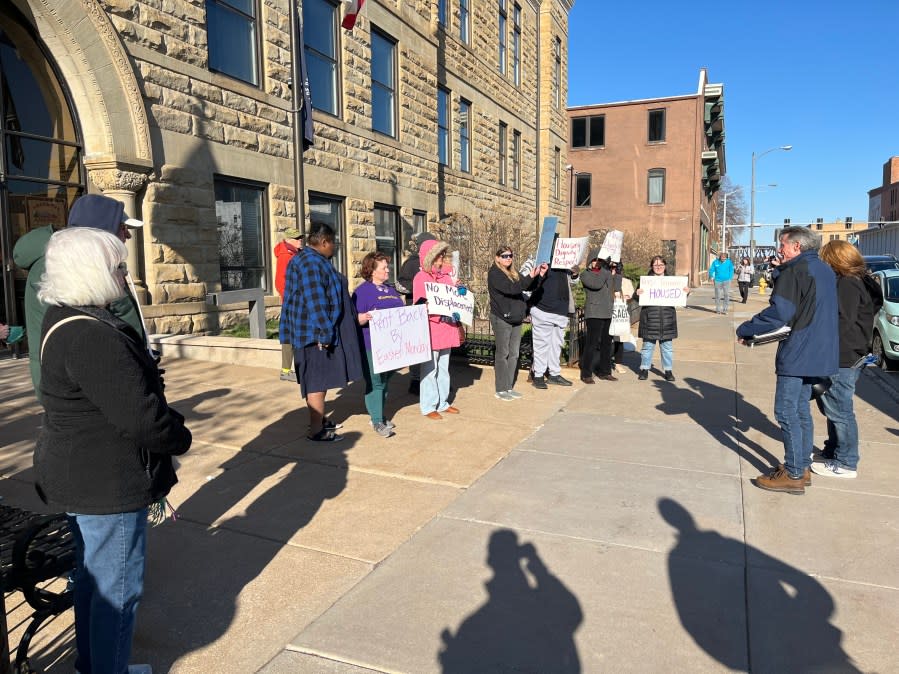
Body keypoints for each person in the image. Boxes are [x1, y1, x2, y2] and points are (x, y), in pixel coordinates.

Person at [34, 227, 191, 674]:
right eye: (118, 266)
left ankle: (98, 665)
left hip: (84, 474)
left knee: (95, 585)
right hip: (106, 482)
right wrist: (180, 437)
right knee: (116, 592)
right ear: (92, 272)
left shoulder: (63, 318)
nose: (125, 274)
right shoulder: (90, 335)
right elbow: (143, 419)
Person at [736, 227, 838, 495]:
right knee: (800, 410)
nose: (779, 249)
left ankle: (793, 473)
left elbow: (781, 312)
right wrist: (781, 271)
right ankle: (801, 466)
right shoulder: (823, 269)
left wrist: (746, 328)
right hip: (819, 350)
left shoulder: (796, 271)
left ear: (797, 247)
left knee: (786, 411)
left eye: (783, 245)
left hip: (799, 351)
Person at [13, 193, 145, 399]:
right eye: (122, 227)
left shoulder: (75, 263)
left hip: (80, 379)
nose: (127, 235)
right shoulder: (68, 267)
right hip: (79, 386)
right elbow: (75, 335)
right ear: (100, 231)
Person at [279, 223, 363, 442]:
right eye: (333, 242)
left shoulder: (316, 260)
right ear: (324, 241)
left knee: (321, 378)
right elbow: (315, 302)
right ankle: (316, 430)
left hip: (315, 331)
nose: (334, 247)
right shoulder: (310, 262)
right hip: (313, 334)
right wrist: (325, 333)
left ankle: (321, 419)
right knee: (316, 379)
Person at [811, 240, 874, 479]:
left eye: (825, 259)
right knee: (834, 408)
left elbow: (841, 322)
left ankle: (846, 462)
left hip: (843, 357)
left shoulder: (847, 284)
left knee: (840, 410)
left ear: (835, 260)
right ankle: (833, 450)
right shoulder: (857, 281)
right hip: (849, 354)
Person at [353, 252, 405, 437]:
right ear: (372, 271)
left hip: (392, 345)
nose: (387, 270)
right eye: (384, 267)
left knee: (384, 380)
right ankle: (376, 421)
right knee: (376, 382)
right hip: (371, 345)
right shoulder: (362, 292)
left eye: (387, 267)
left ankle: (379, 414)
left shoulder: (390, 290)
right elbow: (354, 319)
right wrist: (364, 317)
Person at [487, 246, 546, 400]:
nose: (508, 258)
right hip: (502, 318)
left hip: (516, 318)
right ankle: (501, 389)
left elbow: (527, 286)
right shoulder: (495, 273)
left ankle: (508, 387)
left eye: (510, 256)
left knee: (514, 354)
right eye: (505, 256)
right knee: (503, 354)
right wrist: (530, 276)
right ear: (497, 257)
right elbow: (512, 289)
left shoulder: (513, 272)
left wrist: (538, 275)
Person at [413, 239, 463, 419]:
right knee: (429, 369)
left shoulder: (447, 277)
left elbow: (454, 299)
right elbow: (419, 305)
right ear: (429, 257)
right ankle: (428, 405)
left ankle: (442, 402)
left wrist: (460, 292)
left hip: (447, 327)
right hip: (431, 329)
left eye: (442, 255)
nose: (441, 259)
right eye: (438, 256)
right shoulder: (421, 277)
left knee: (443, 368)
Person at [522, 258, 577, 390]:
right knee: (541, 345)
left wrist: (574, 274)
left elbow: (571, 282)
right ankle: (539, 375)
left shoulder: (564, 259)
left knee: (556, 345)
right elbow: (524, 282)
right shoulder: (536, 259)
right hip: (543, 309)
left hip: (560, 310)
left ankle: (554, 374)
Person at [635, 256, 689, 381]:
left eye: (661, 265)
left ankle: (668, 370)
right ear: (652, 266)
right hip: (650, 319)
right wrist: (637, 294)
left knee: (667, 347)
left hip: (667, 319)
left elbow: (680, 298)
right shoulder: (645, 281)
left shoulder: (672, 282)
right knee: (647, 346)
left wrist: (686, 292)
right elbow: (637, 298)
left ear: (665, 266)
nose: (658, 267)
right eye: (655, 265)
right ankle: (644, 369)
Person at [396, 232, 436, 395]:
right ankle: (415, 380)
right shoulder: (412, 263)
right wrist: (419, 287)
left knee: (434, 347)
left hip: (435, 312)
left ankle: (433, 379)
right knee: (417, 347)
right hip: (416, 310)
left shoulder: (438, 263)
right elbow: (399, 285)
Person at [579, 257, 621, 383]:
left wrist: (616, 271)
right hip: (594, 313)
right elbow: (596, 285)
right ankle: (586, 373)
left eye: (599, 261)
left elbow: (617, 287)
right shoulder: (586, 274)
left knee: (606, 344)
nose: (596, 263)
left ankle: (605, 371)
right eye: (594, 260)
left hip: (607, 312)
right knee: (591, 344)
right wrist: (606, 270)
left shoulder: (606, 273)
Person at [274, 227, 305, 382]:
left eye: (300, 238)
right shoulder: (286, 256)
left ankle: (291, 370)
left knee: (293, 335)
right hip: (291, 303)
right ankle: (286, 371)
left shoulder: (294, 254)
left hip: (294, 302)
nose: (300, 240)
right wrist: (291, 301)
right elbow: (280, 282)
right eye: (297, 238)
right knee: (290, 336)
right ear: (289, 240)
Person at [610, 260, 635, 374]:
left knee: (619, 340)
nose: (613, 270)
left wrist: (624, 297)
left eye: (615, 268)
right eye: (611, 268)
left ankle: (618, 363)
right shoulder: (605, 280)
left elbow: (631, 298)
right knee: (606, 340)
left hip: (620, 315)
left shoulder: (626, 282)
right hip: (607, 313)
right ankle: (605, 362)